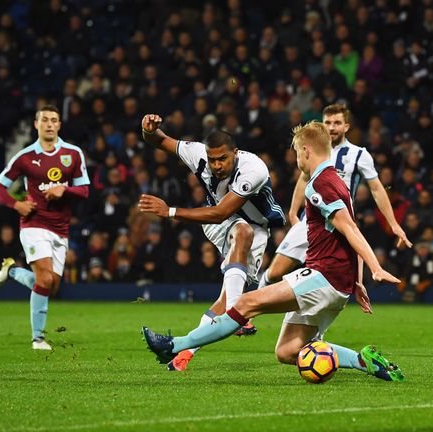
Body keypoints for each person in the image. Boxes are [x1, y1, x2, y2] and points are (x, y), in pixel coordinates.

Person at [142, 121, 405, 382]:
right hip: (338, 283)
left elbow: (349, 229)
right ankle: (364, 361)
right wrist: (356, 281)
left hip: (324, 277)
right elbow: (349, 230)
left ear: (305, 150)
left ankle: (174, 345)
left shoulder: (320, 184)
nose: (295, 160)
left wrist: (375, 267)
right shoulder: (337, 182)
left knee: (244, 303)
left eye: (295, 153)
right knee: (288, 351)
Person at [138, 114, 286, 371]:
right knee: (242, 232)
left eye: (223, 159)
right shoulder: (198, 154)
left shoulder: (254, 169)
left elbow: (222, 213)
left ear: (235, 153)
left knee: (226, 297)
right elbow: (159, 141)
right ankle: (237, 316)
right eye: (213, 160)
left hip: (249, 225)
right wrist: (148, 130)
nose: (216, 165)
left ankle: (182, 353)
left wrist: (170, 212)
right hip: (219, 221)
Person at [259, 104, 412, 290]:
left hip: (339, 222)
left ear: (346, 126)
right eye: (328, 123)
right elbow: (303, 179)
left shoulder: (359, 155)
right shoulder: (315, 150)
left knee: (330, 278)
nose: (332, 127)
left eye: (337, 123)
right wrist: (292, 213)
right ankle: (251, 309)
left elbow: (377, 189)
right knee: (275, 273)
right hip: (311, 219)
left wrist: (394, 224)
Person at [0, 105, 90, 350]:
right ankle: (38, 338)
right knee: (44, 280)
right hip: (34, 223)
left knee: (50, 287)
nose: (49, 124)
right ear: (36, 124)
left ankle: (12, 270)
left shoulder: (73, 154)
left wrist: (63, 189)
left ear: (59, 125)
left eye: (54, 120)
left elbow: (85, 191)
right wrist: (17, 205)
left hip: (61, 228)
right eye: (44, 119)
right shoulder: (24, 157)